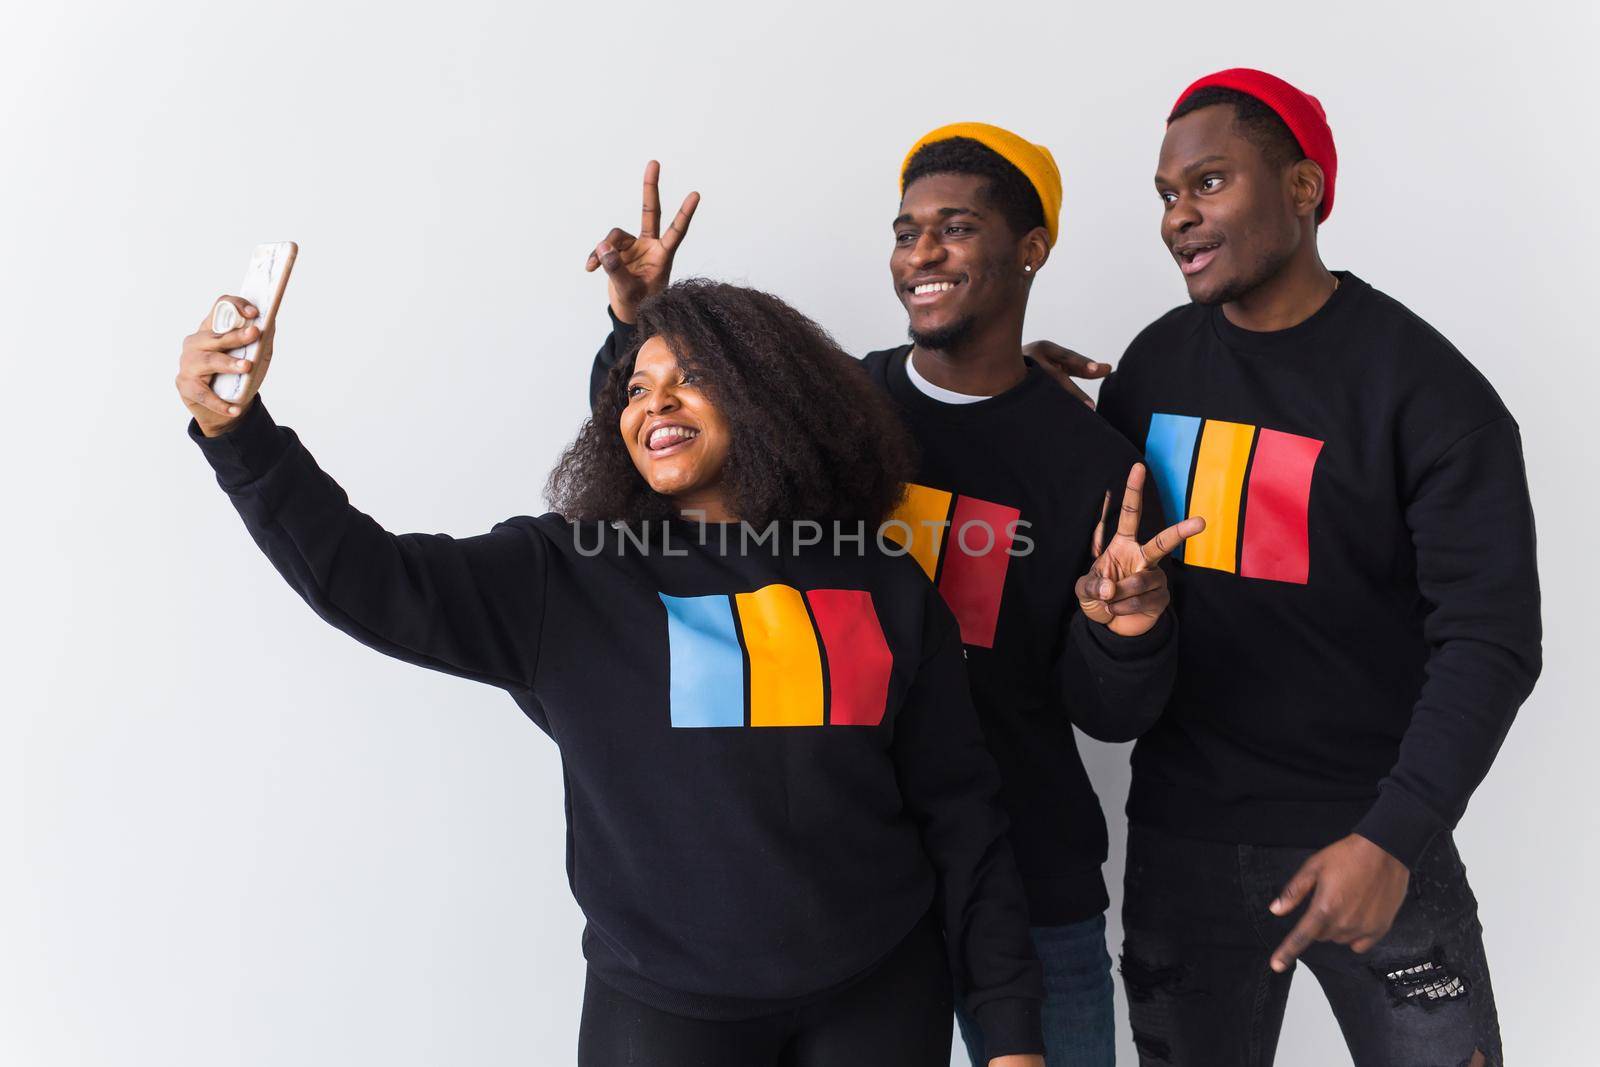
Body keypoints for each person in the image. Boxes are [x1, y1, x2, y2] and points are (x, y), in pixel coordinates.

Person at [175, 279, 1052, 1066]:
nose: (653, 403)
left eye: (688, 377)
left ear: (767, 394)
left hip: (879, 993)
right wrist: (238, 434)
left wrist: (1010, 1034)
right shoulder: (572, 573)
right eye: (635, 388)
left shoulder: (881, 578)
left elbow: (962, 813)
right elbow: (369, 580)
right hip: (666, 1010)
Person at [586, 135, 1204, 1066]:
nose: (922, 253)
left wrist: (1129, 626)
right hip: (855, 897)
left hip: (1028, 888)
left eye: (956, 229)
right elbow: (662, 469)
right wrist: (637, 326)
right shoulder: (832, 406)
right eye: (907, 230)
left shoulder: (1092, 461)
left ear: (1031, 247)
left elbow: (1106, 712)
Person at [1079, 68, 1541, 1066]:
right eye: (1164, 193)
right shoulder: (1151, 369)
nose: (1175, 217)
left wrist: (1393, 834)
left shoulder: (1427, 392)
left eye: (1207, 182)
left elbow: (1492, 638)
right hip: (1182, 849)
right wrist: (1011, 396)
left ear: (1301, 187)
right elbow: (1120, 640)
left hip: (1371, 846)